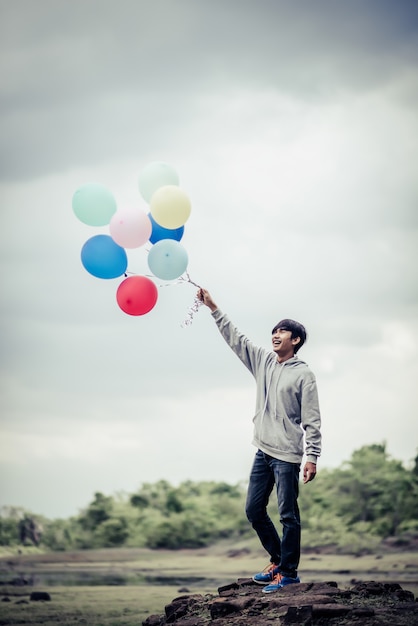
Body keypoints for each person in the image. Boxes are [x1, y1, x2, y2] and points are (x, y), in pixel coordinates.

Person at [197, 288, 322, 593]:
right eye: (274, 331)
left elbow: (312, 418)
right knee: (254, 510)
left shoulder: (304, 375)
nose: (276, 335)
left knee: (288, 515)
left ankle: (289, 574)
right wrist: (214, 307)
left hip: (288, 456)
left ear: (296, 340)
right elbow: (236, 338)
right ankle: (279, 560)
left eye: (283, 332)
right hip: (263, 451)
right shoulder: (263, 362)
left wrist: (312, 456)